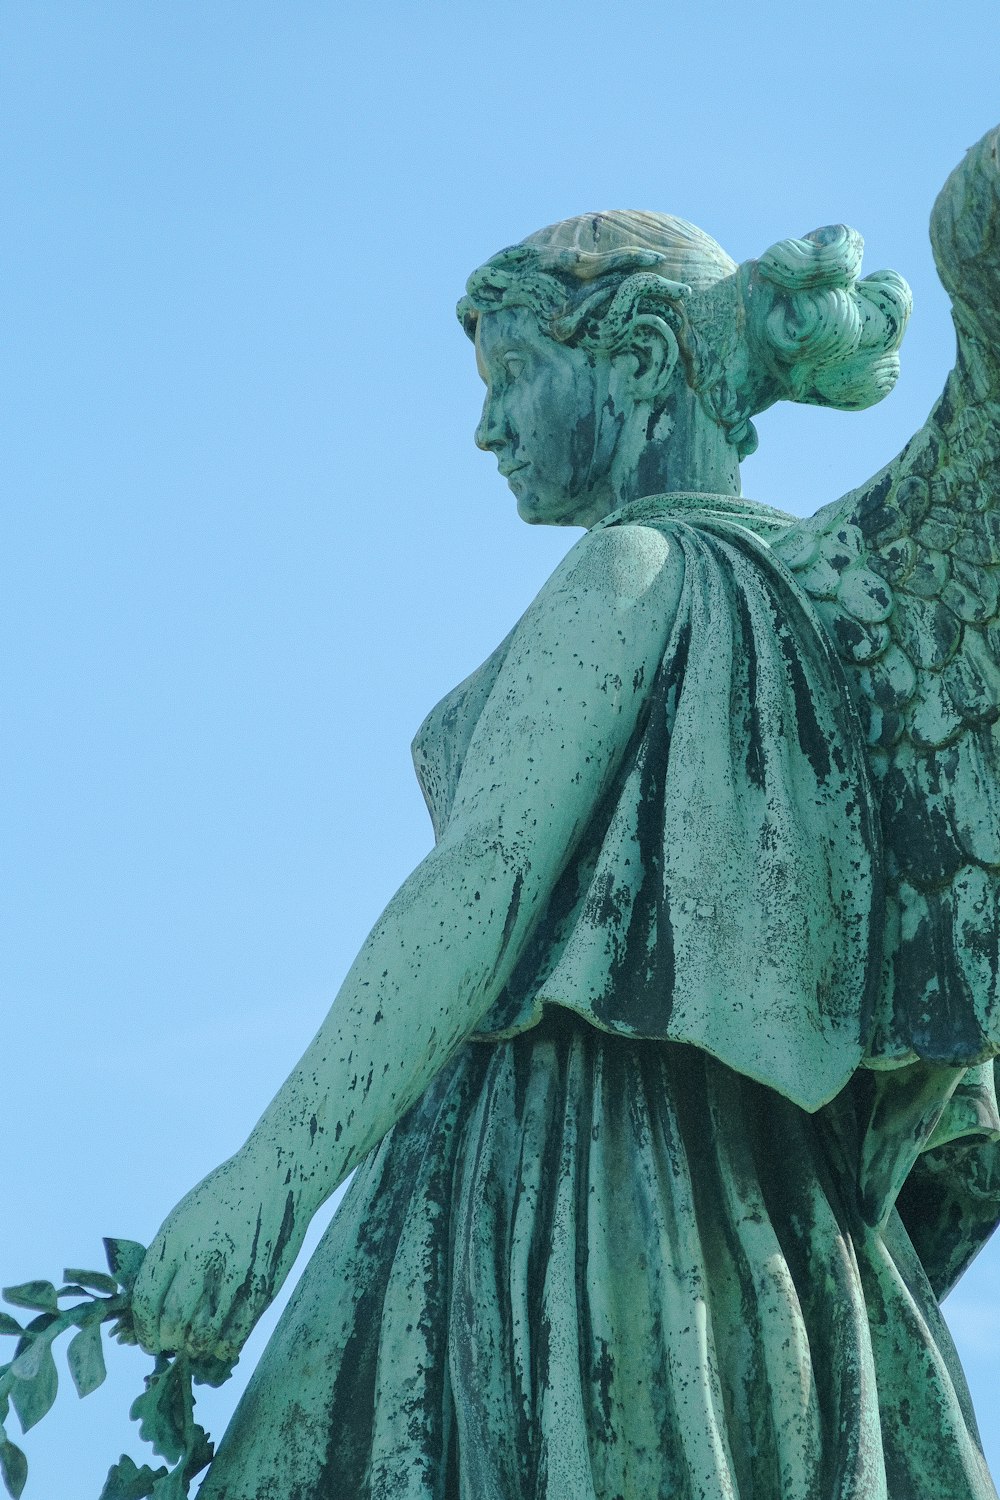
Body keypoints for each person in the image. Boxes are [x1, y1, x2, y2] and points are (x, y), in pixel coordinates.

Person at [132, 130, 1000, 1499]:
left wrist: (266, 1182)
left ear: (643, 361)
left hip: (587, 1200)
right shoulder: (840, 616)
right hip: (785, 1245)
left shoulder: (638, 567)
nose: (487, 427)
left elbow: (483, 882)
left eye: (516, 377)